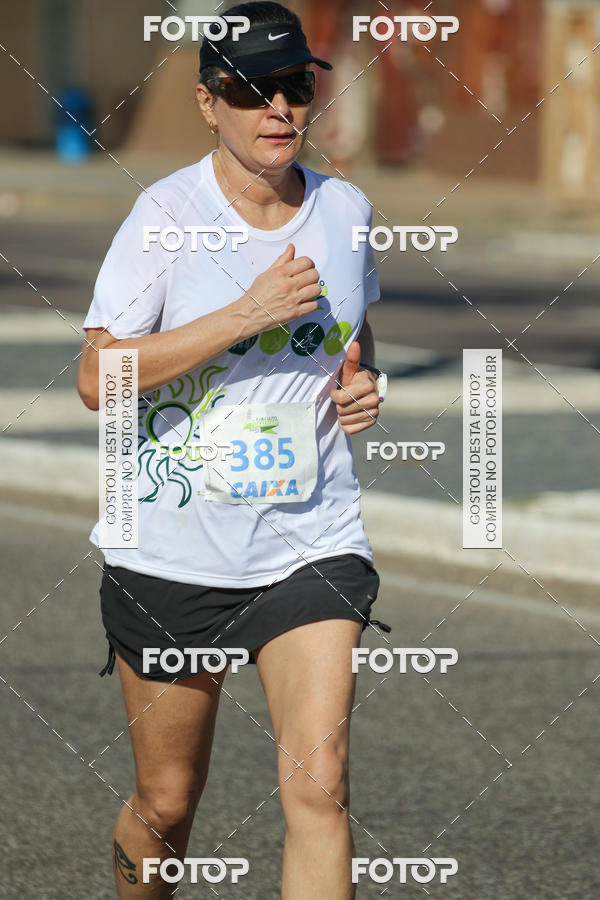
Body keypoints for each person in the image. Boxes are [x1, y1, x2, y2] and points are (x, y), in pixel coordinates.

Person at [77, 2, 389, 897]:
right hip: (173, 549)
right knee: (167, 801)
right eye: (251, 92)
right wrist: (243, 316)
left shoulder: (346, 212)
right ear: (210, 102)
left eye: (293, 87)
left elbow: (355, 343)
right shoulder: (164, 216)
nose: (278, 110)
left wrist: (363, 389)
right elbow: (99, 380)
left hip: (311, 538)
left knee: (318, 785)